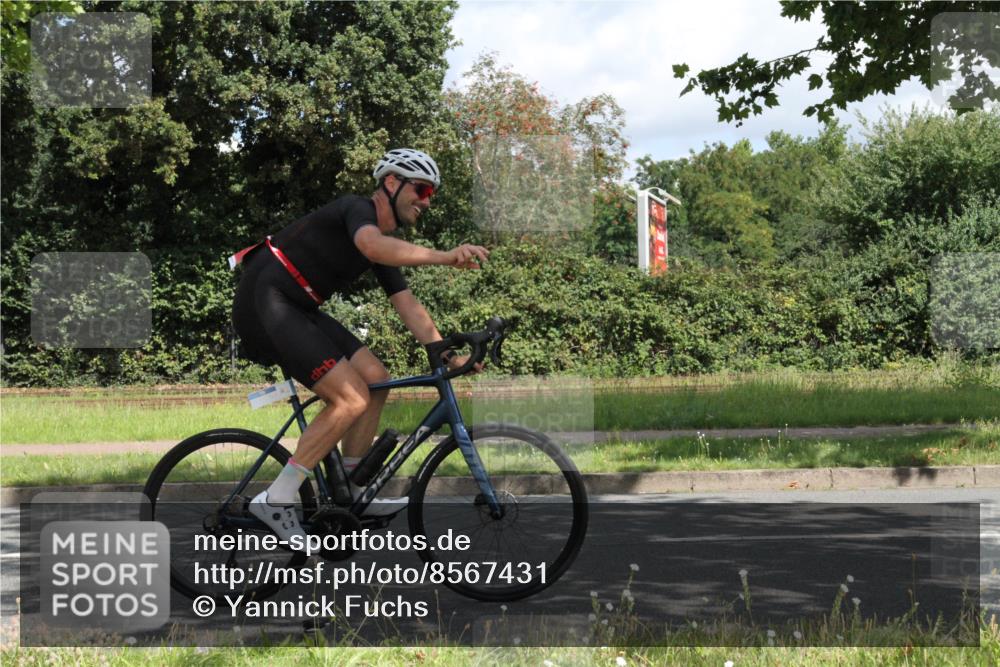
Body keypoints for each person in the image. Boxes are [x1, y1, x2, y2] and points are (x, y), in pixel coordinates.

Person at [230, 148, 488, 545]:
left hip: (297, 304)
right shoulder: (357, 212)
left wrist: (445, 353)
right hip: (266, 298)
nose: (425, 201)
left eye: (431, 194)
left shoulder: (383, 243)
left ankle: (350, 486)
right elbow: (369, 245)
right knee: (350, 398)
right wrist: (446, 257)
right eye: (421, 189)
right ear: (391, 183)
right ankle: (277, 498)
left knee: (375, 377)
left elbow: (407, 305)